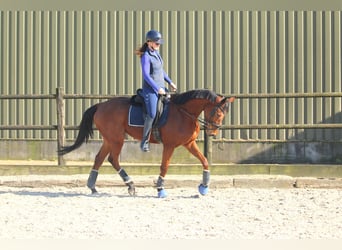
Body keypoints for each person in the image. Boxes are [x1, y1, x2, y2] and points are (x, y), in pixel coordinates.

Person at [135, 29, 177, 152]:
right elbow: (146, 76)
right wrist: (157, 88)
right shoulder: (146, 57)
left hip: (161, 89)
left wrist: (170, 81)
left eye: (159, 43)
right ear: (149, 42)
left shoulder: (157, 54)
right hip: (150, 91)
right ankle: (144, 141)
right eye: (156, 43)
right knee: (152, 114)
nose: (158, 45)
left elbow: (160, 71)